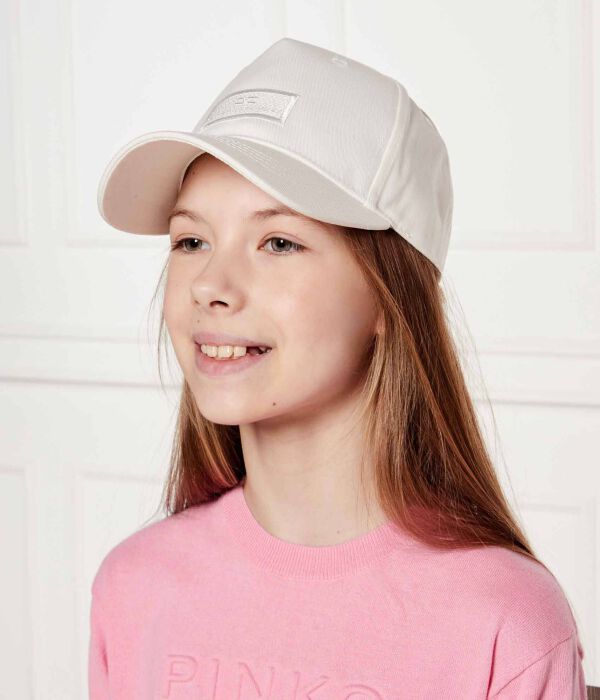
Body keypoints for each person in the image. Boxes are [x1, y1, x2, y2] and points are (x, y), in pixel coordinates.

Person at [89, 37, 586, 698]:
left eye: (278, 242)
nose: (210, 284)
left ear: (387, 296)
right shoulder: (134, 586)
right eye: (192, 240)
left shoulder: (503, 622)